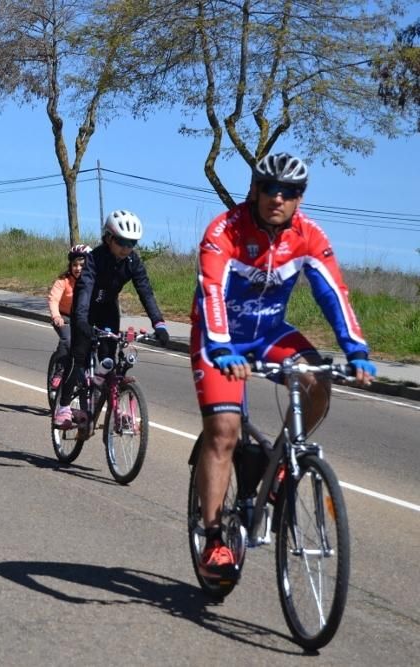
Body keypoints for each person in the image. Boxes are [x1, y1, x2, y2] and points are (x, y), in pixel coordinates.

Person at [190, 152, 376, 581]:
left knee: (319, 382)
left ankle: (279, 464)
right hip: (220, 336)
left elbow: (334, 292)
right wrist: (220, 347)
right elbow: (211, 289)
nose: (278, 197)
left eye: (289, 192)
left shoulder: (308, 235)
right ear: (254, 189)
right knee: (224, 432)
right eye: (270, 188)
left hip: (270, 332)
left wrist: (357, 350)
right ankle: (215, 538)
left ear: (300, 198)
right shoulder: (225, 230)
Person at [52, 210, 170, 428]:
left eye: (132, 243)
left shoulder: (133, 261)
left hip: (108, 309)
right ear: (108, 238)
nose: (127, 247)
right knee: (79, 356)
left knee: (109, 360)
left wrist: (159, 323)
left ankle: (107, 402)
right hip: (85, 309)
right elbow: (85, 290)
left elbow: (145, 291)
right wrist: (82, 323)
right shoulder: (94, 259)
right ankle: (64, 406)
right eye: (122, 241)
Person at [47, 244, 91, 389]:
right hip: (64, 317)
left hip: (84, 319)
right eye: (75, 265)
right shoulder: (63, 281)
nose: (78, 268)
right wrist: (56, 316)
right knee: (68, 339)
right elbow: (53, 299)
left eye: (82, 265)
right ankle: (59, 370)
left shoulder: (93, 281)